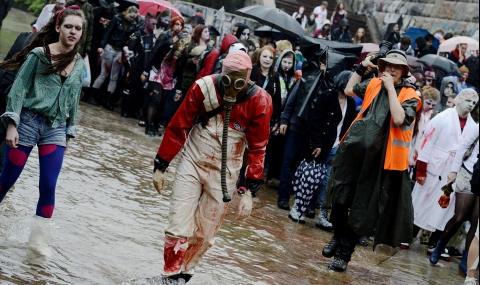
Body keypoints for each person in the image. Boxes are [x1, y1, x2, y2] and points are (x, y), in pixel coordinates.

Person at [151, 51, 272, 284]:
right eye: (228, 80)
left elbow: (258, 148)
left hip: (226, 171)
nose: (231, 89)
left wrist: (249, 192)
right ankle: (170, 275)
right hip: (193, 159)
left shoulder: (260, 101)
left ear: (247, 78)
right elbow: (179, 126)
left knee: (205, 234)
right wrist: (161, 165)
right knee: (178, 223)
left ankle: (185, 273)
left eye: (239, 82)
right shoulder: (203, 88)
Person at [323, 50, 421, 272]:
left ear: (404, 71)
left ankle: (343, 255)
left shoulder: (411, 94)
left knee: (361, 208)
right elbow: (348, 89)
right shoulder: (373, 82)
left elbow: (398, 118)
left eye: (396, 67)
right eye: (387, 65)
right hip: (355, 153)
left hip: (381, 162)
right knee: (339, 199)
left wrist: (389, 89)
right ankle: (338, 237)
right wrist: (362, 68)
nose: (391, 70)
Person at [0, 5, 86, 255]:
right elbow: (18, 90)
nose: (73, 31)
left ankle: (38, 243)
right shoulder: (39, 54)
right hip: (26, 123)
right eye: (68, 26)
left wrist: (70, 132)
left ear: (81, 33)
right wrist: (12, 125)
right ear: (58, 27)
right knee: (6, 180)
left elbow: (74, 98)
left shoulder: (79, 63)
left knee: (48, 185)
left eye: (77, 28)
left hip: (55, 128)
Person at [412, 89, 477, 266]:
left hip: (454, 170)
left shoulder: (472, 125)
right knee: (420, 201)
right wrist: (421, 169)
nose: (471, 105)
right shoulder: (442, 117)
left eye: (474, 102)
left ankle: (434, 241)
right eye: (468, 101)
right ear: (459, 100)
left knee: (443, 206)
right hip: (434, 164)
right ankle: (409, 233)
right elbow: (427, 141)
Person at [290, 71, 356, 228]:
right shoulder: (326, 97)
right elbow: (316, 121)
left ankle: (322, 214)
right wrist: (317, 143)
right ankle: (298, 208)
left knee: (328, 182)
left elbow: (349, 126)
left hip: (336, 147)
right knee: (309, 177)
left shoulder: (351, 103)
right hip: (320, 145)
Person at [276, 48, 334, 211]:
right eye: (321, 62)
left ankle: (307, 202)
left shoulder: (330, 83)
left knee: (311, 166)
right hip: (296, 126)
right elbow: (292, 101)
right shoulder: (305, 79)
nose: (323, 66)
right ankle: (283, 196)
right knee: (288, 161)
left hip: (315, 132)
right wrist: (284, 120)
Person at [428, 95, 478, 274]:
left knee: (475, 221)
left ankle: (466, 259)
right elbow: (463, 146)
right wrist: (454, 171)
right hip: (470, 173)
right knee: (459, 216)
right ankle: (440, 244)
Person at [141, 18, 189, 135]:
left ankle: (155, 126)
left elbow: (181, 72)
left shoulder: (185, 56)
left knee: (162, 105)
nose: (182, 46)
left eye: (185, 45)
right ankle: (148, 126)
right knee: (155, 100)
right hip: (157, 74)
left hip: (169, 79)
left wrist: (178, 90)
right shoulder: (167, 45)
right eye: (181, 43)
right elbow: (154, 57)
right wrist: (145, 72)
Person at [89, 6, 137, 108]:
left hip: (120, 50)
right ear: (127, 12)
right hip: (110, 47)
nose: (132, 19)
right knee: (104, 73)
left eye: (134, 17)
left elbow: (130, 41)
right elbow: (108, 32)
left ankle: (108, 100)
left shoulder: (133, 25)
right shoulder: (117, 18)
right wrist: (101, 46)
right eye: (131, 16)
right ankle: (92, 95)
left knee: (114, 77)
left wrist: (124, 56)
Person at [408, 86, 440, 172]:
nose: (430, 106)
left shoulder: (433, 115)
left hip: (420, 145)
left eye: (433, 105)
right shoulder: (415, 110)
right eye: (428, 103)